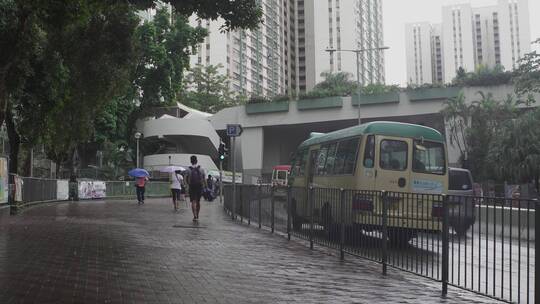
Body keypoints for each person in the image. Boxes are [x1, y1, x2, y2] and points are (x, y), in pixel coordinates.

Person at [186, 155, 207, 221]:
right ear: (196, 161)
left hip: (192, 187)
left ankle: (194, 216)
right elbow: (204, 179)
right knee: (198, 201)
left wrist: (187, 185)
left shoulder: (188, 169)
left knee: (193, 201)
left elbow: (186, 179)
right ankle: (197, 215)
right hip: (199, 186)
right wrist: (206, 186)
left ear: (191, 161)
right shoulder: (201, 169)